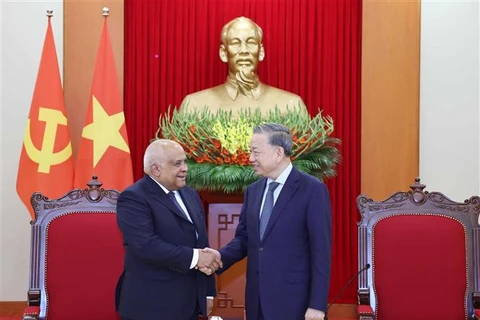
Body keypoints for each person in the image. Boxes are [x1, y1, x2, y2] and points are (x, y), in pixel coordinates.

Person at [204, 123, 332, 320]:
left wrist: (317, 305)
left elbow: (321, 251)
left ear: (278, 153)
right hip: (256, 300)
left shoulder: (312, 190)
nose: (251, 158)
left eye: (256, 152)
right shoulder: (253, 191)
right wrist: (219, 257)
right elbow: (245, 239)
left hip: (294, 302)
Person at [115, 139, 222, 320]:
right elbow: (146, 246)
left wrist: (208, 293)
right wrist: (196, 257)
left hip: (188, 305)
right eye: (177, 163)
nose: (185, 168)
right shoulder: (133, 198)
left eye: (184, 161)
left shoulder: (190, 194)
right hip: (151, 306)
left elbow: (201, 242)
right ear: (156, 169)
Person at [180, 17, 307, 117]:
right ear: (223, 53)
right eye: (235, 43)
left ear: (261, 52)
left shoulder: (291, 106)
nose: (244, 50)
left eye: (251, 42)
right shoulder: (194, 106)